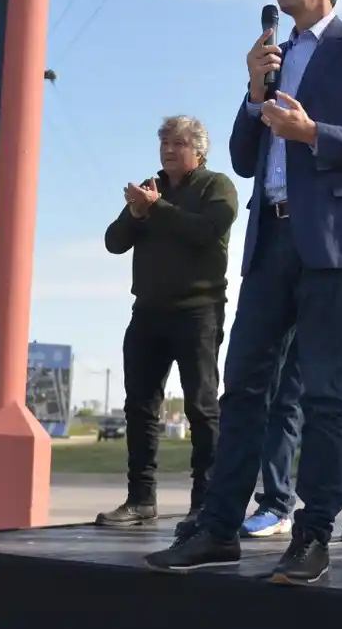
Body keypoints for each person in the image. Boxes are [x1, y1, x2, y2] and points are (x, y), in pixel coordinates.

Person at [144, 0, 342, 584]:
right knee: (243, 389)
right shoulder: (273, 56)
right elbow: (242, 158)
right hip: (271, 242)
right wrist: (254, 91)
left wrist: (312, 132)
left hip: (334, 245)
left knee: (326, 395)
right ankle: (219, 528)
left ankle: (313, 535)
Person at [241, 168, 342, 542]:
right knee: (282, 397)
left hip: (341, 288)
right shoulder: (278, 159)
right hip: (286, 287)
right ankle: (275, 503)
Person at [95, 116, 239, 532]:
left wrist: (156, 208)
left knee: (201, 406)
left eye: (178, 144)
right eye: (164, 143)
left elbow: (207, 230)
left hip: (198, 312)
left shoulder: (216, 186)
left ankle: (205, 504)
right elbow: (113, 242)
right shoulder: (151, 187)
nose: (169, 151)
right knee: (140, 407)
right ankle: (141, 500)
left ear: (199, 151)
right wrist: (137, 213)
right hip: (148, 313)